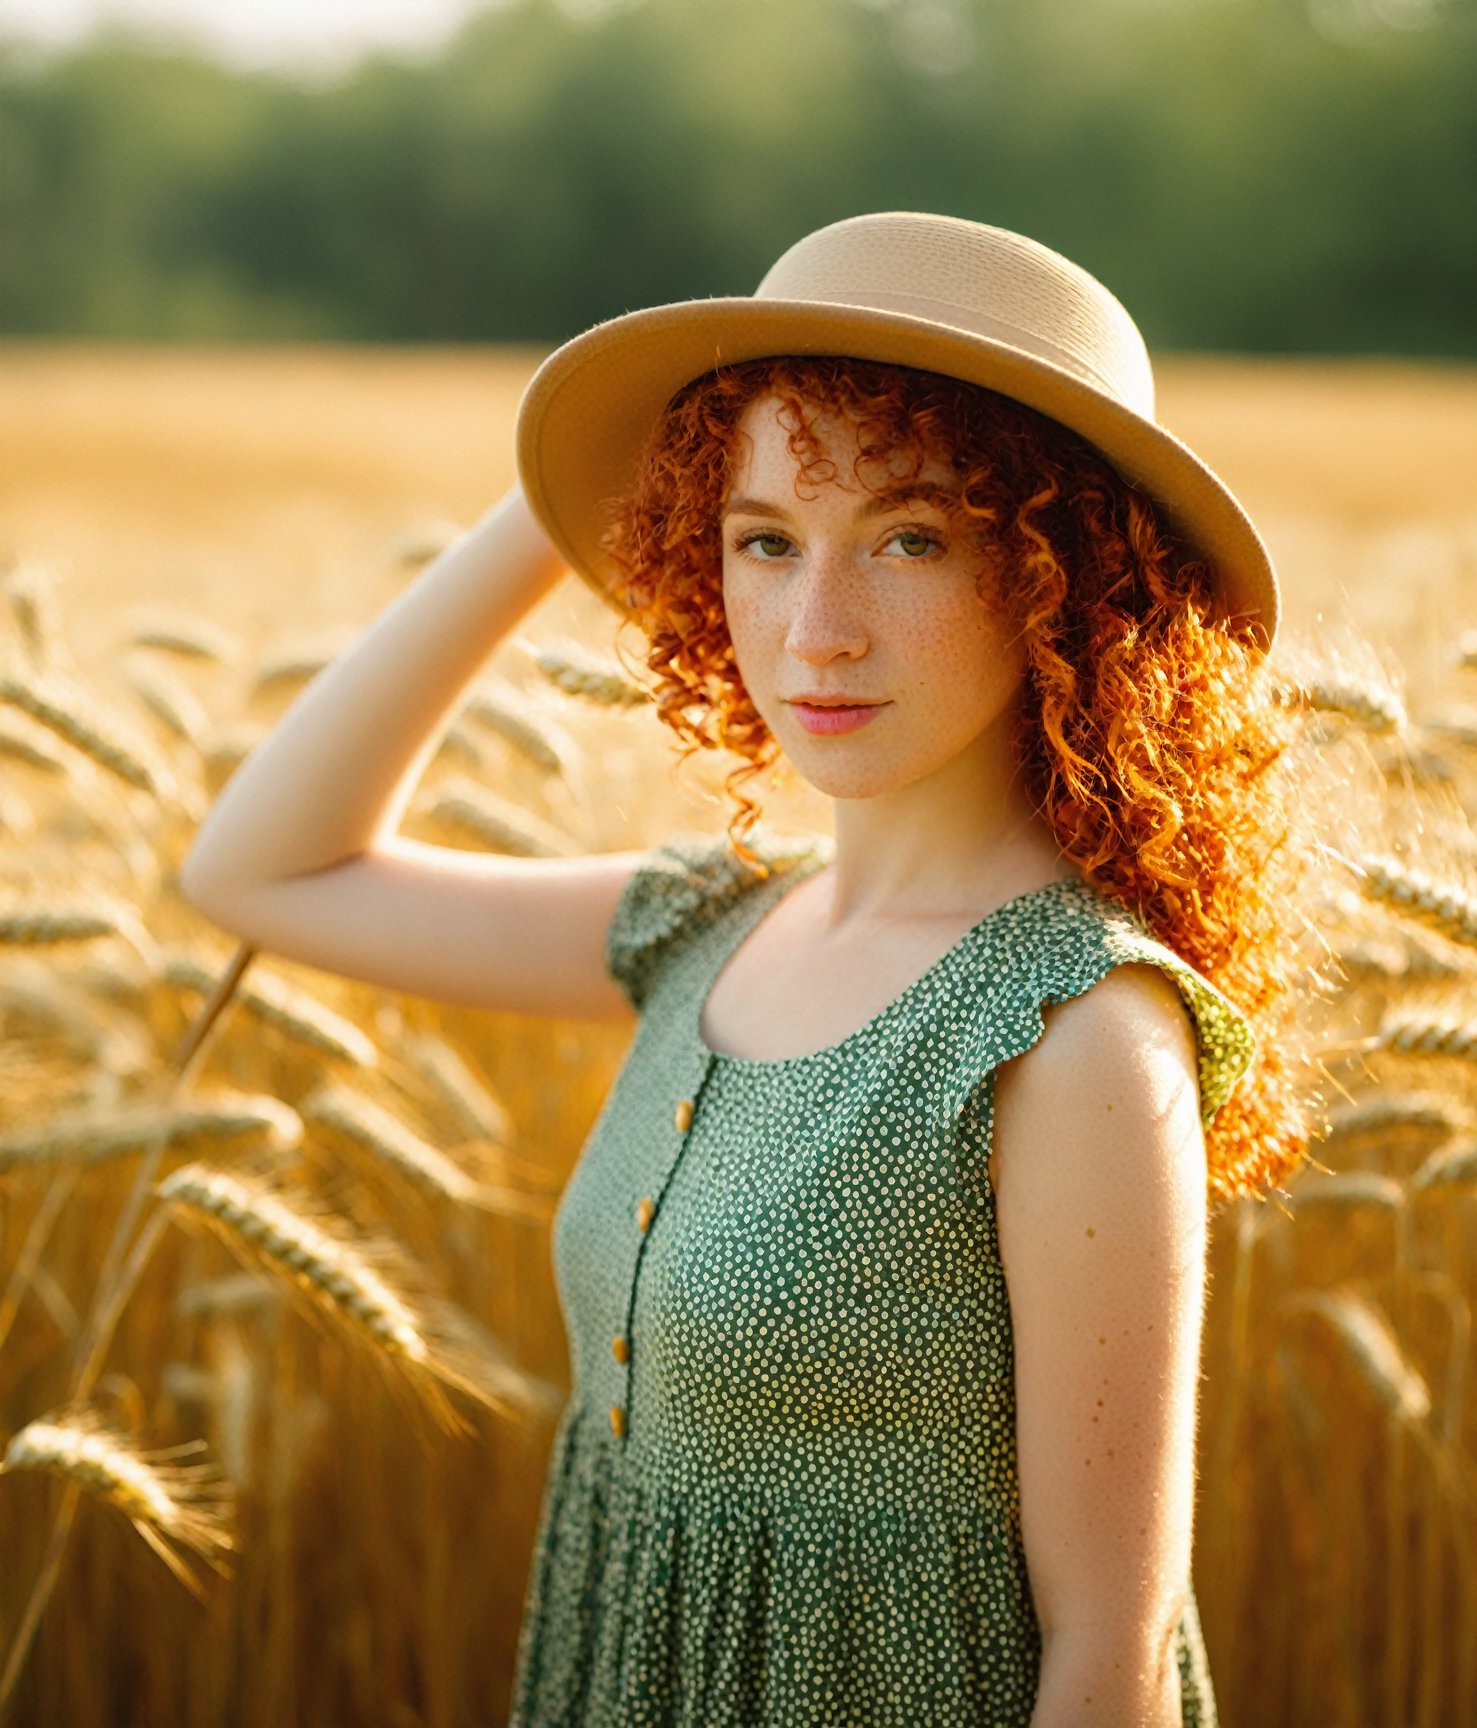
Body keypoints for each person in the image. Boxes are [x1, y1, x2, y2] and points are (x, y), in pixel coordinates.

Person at [180, 212, 1311, 1727]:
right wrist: (565, 494)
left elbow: (1110, 1661)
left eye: (910, 539)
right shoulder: (702, 930)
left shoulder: (1073, 1031)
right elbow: (258, 869)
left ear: (1064, 580)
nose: (815, 631)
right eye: (762, 539)